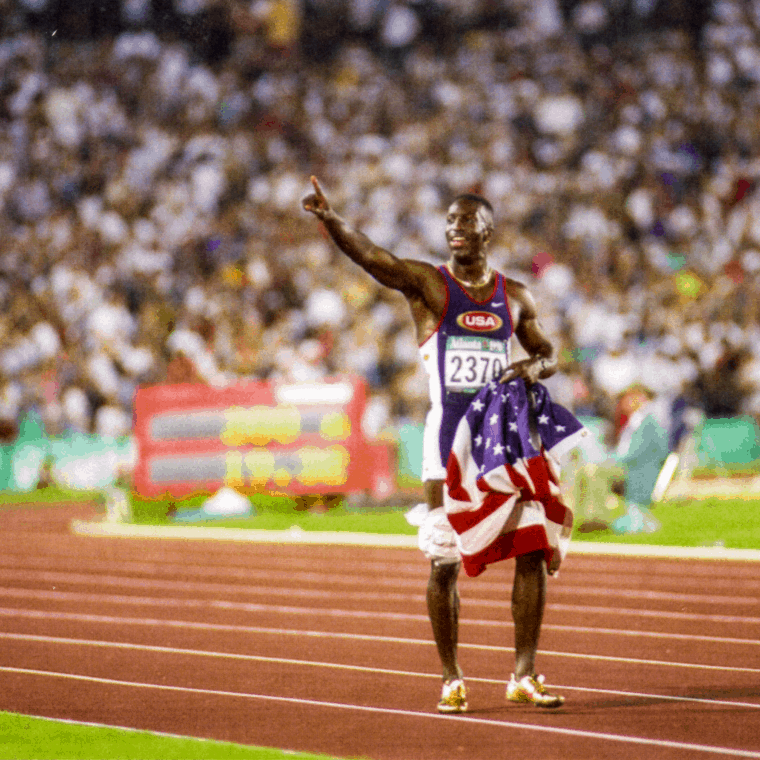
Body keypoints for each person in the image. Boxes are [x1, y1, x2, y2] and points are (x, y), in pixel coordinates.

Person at [302, 175, 564, 713]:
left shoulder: (514, 298)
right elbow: (375, 258)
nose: (454, 229)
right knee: (443, 562)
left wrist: (531, 368)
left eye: (465, 221)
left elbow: (549, 352)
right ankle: (451, 677)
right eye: (449, 222)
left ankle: (524, 673)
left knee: (533, 547)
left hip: (503, 444)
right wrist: (332, 222)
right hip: (445, 447)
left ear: (487, 231)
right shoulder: (430, 285)